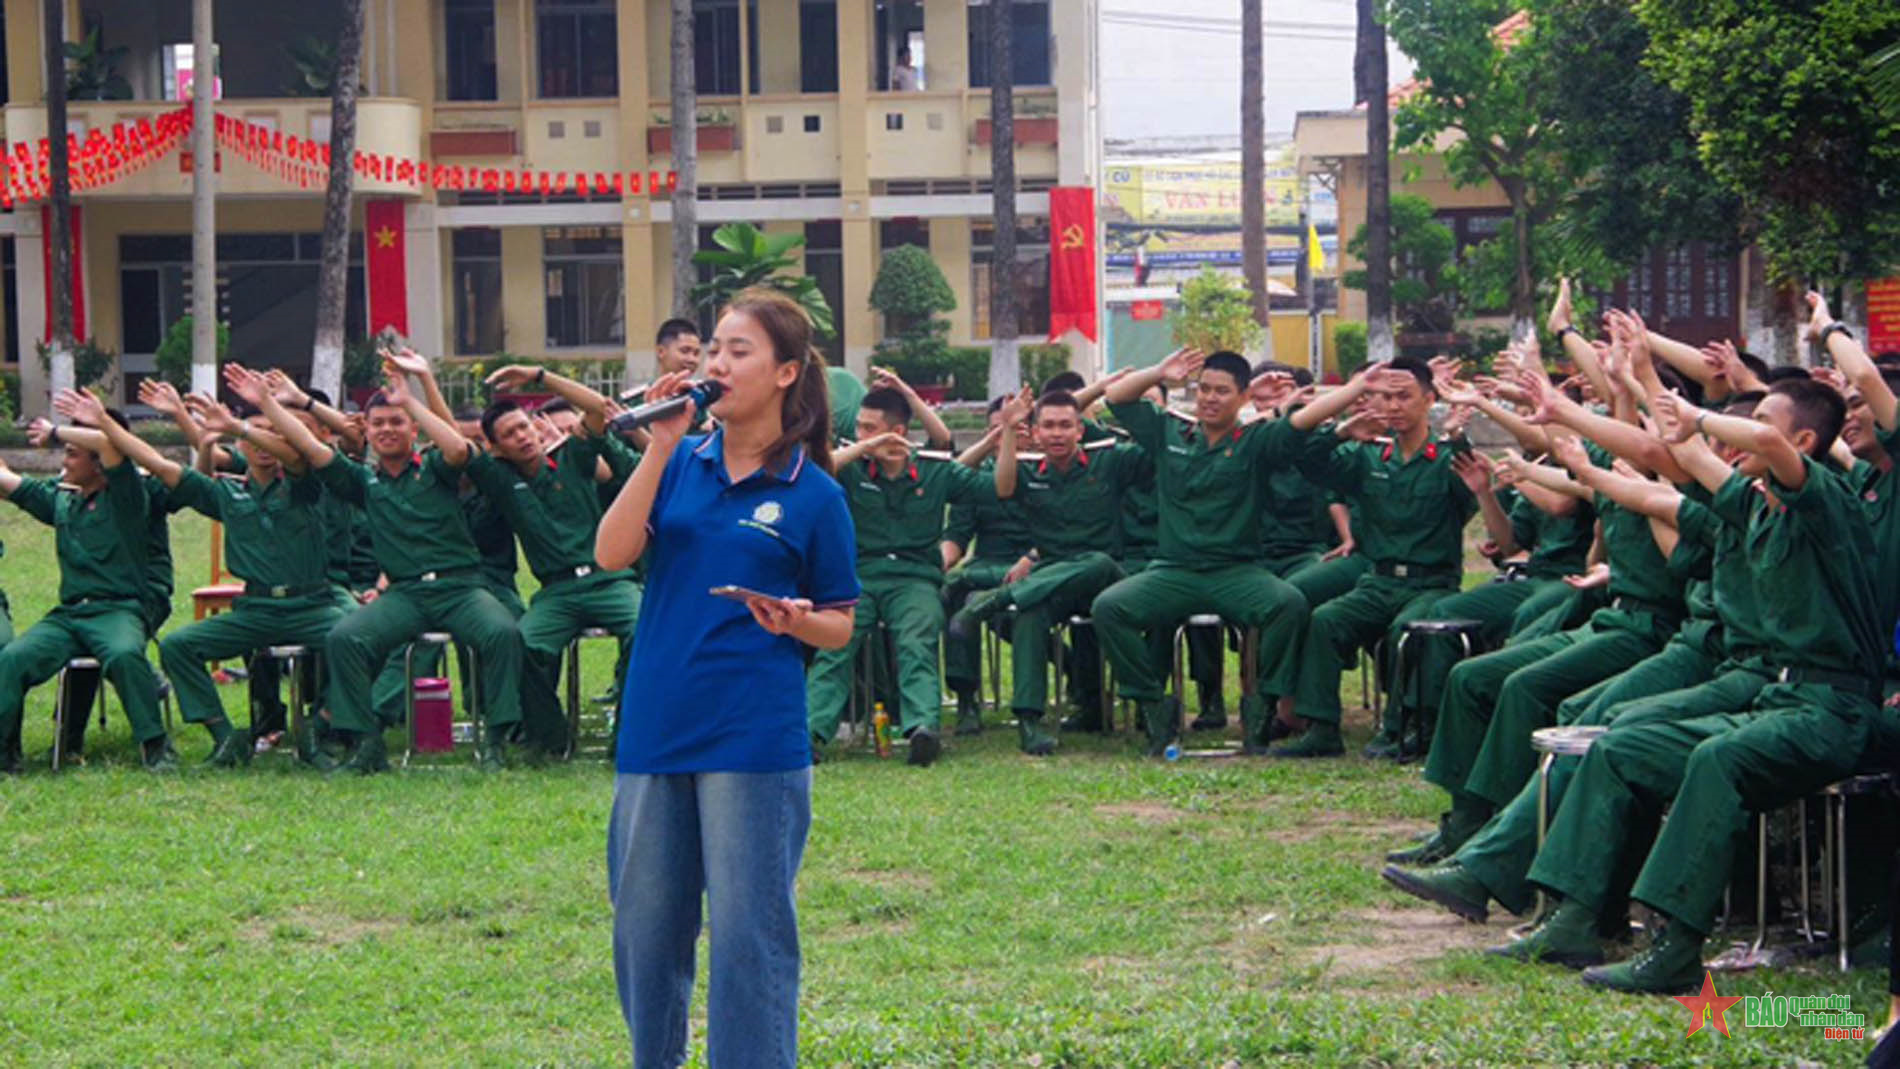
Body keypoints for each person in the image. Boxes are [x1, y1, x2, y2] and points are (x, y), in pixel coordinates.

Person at [1508, 378, 1889, 994]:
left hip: (1833, 708)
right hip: (1779, 701)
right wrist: (1611, 397)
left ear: (1804, 441)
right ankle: (1574, 917)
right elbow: (1680, 454)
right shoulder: (1756, 509)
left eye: (1765, 419)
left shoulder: (1828, 503)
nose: (1744, 432)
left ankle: (1676, 949)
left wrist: (1694, 415)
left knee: (1718, 758)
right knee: (1621, 747)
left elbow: (1745, 435)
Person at [597, 287, 856, 1069]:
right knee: (645, 930)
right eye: (713, 349)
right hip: (658, 723)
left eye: (738, 351)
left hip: (753, 735)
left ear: (784, 373)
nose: (715, 364)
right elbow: (612, 553)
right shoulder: (678, 462)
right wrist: (655, 448)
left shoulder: (815, 494)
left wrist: (793, 618)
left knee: (750, 936)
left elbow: (840, 621)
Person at [238, 357, 527, 774]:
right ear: (367, 432)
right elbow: (311, 447)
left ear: (413, 430)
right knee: (346, 638)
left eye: (397, 422)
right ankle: (365, 743)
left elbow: (459, 448)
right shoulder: (363, 482)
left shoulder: (435, 468)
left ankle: (496, 740)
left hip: (460, 588)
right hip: (406, 594)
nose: (388, 429)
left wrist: (413, 399)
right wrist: (267, 404)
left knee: (503, 632)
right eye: (378, 424)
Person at [1090, 348, 1321, 756]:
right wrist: (1159, 370)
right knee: (1110, 607)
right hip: (1174, 570)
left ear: (1244, 397)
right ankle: (1153, 708)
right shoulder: (1171, 432)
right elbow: (1117, 399)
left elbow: (1303, 422)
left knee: (1289, 603)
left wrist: (1352, 388)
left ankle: (1261, 710)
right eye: (1204, 389)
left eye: (1222, 391)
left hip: (1235, 571)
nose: (1210, 398)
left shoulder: (1255, 441)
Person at [1273, 358, 1479, 758]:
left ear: (1429, 400)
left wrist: (1458, 437)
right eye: (1385, 397)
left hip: (1430, 582)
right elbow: (1306, 461)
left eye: (1404, 397)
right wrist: (1340, 432)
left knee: (1409, 628)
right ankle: (1322, 729)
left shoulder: (1445, 458)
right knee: (1325, 621)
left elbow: (1470, 493)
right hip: (1378, 579)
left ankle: (1404, 727)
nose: (1393, 406)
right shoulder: (1368, 456)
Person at [467, 364, 648, 755]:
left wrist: (539, 376)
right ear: (497, 448)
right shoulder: (499, 479)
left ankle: (630, 736)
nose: (522, 437)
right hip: (557, 592)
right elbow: (455, 443)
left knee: (644, 628)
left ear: (535, 425)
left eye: (524, 427)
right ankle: (548, 740)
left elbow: (599, 409)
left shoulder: (574, 457)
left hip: (609, 580)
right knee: (524, 644)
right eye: (510, 435)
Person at [805, 374, 981, 765]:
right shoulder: (852, 467)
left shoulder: (932, 470)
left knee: (916, 639)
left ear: (897, 432)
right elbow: (814, 471)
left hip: (914, 580)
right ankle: (811, 734)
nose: (860, 434)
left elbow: (982, 479)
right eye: (859, 428)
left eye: (870, 428)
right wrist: (865, 446)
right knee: (834, 644)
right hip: (859, 578)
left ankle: (922, 729)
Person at [963, 388, 1143, 754]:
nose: (1057, 434)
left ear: (1081, 430)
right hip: (1053, 579)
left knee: (1097, 562)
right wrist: (1010, 431)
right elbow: (1001, 487)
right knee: (1030, 613)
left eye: (1065, 426)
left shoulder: (1109, 461)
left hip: (1105, 580)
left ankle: (1003, 596)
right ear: (1037, 432)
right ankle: (1030, 722)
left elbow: (1150, 448)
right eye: (1048, 426)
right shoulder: (1029, 472)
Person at [0, 405, 174, 772]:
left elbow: (110, 444)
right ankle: (5, 755)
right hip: (70, 615)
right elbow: (11, 482)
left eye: (72, 454)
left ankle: (156, 747)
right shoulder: (63, 499)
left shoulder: (128, 495)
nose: (64, 461)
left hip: (118, 609)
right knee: (11, 659)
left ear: (100, 464)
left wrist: (56, 432)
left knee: (125, 654)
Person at [939, 395, 1038, 735]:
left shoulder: (1046, 469)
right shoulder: (977, 479)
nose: (1008, 437)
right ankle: (966, 698)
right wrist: (941, 560)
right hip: (988, 567)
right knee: (954, 593)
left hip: (1037, 567)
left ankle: (1074, 669)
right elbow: (956, 536)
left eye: (1017, 429)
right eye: (998, 431)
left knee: (966, 594)